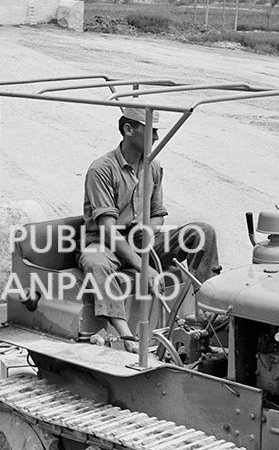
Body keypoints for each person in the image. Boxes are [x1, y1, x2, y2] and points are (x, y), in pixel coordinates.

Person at [78, 105, 220, 348]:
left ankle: (208, 317)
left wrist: (147, 232)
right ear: (128, 129)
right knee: (95, 262)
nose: (155, 137)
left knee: (202, 232)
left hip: (141, 240)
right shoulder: (101, 169)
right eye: (150, 130)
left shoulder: (153, 166)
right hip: (106, 244)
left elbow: (157, 215)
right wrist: (144, 267)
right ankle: (126, 336)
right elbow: (108, 230)